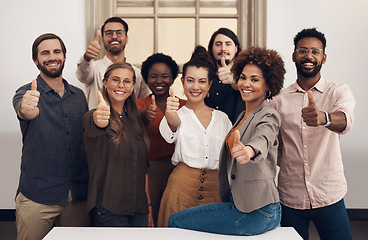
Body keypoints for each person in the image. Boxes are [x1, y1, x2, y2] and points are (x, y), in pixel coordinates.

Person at [168, 47, 285, 236]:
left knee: (176, 220)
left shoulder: (268, 114)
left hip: (256, 210)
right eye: (243, 77)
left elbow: (264, 136)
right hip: (249, 205)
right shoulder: (242, 116)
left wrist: (250, 150)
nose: (246, 83)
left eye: (255, 79)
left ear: (269, 85)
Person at [270, 28, 355, 240]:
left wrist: (324, 118)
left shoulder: (338, 91)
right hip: (290, 197)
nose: (309, 56)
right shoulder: (278, 100)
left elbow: (345, 120)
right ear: (294, 56)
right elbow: (277, 146)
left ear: (323, 58)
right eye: (303, 51)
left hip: (329, 194)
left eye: (315, 51)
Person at [12, 33, 89, 240]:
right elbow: (24, 109)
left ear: (64, 56)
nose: (52, 56)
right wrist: (27, 108)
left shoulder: (79, 96)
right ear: (35, 60)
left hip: (76, 196)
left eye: (57, 51)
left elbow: (84, 140)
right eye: (45, 53)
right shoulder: (26, 93)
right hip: (38, 196)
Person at [156, 46, 232, 227]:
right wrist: (170, 114)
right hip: (180, 189)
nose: (195, 87)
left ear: (210, 84)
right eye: (190, 80)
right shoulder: (176, 114)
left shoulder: (223, 119)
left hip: (216, 191)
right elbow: (172, 126)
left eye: (201, 81)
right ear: (182, 82)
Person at [83, 62, 153, 227]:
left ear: (133, 87)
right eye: (115, 80)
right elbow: (93, 123)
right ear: (105, 83)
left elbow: (143, 170)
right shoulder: (94, 116)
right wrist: (99, 119)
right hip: (109, 210)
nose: (121, 85)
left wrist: (149, 206)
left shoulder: (135, 122)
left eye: (127, 81)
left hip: (139, 209)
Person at [137, 53, 186, 225]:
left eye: (165, 76)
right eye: (153, 76)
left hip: (180, 169)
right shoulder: (139, 105)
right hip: (150, 171)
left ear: (173, 78)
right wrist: (143, 116)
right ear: (145, 78)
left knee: (175, 218)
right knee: (153, 218)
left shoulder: (185, 105)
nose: (159, 81)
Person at [76, 17, 150, 109]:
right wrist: (87, 57)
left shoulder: (138, 73)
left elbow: (143, 105)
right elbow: (82, 75)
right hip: (96, 122)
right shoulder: (94, 68)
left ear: (126, 39)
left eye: (119, 33)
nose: (114, 36)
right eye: (109, 33)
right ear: (102, 40)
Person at [205, 27, 245, 124]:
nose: (223, 49)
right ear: (211, 49)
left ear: (236, 49)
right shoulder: (205, 77)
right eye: (218, 44)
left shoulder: (246, 74)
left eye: (228, 44)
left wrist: (235, 80)